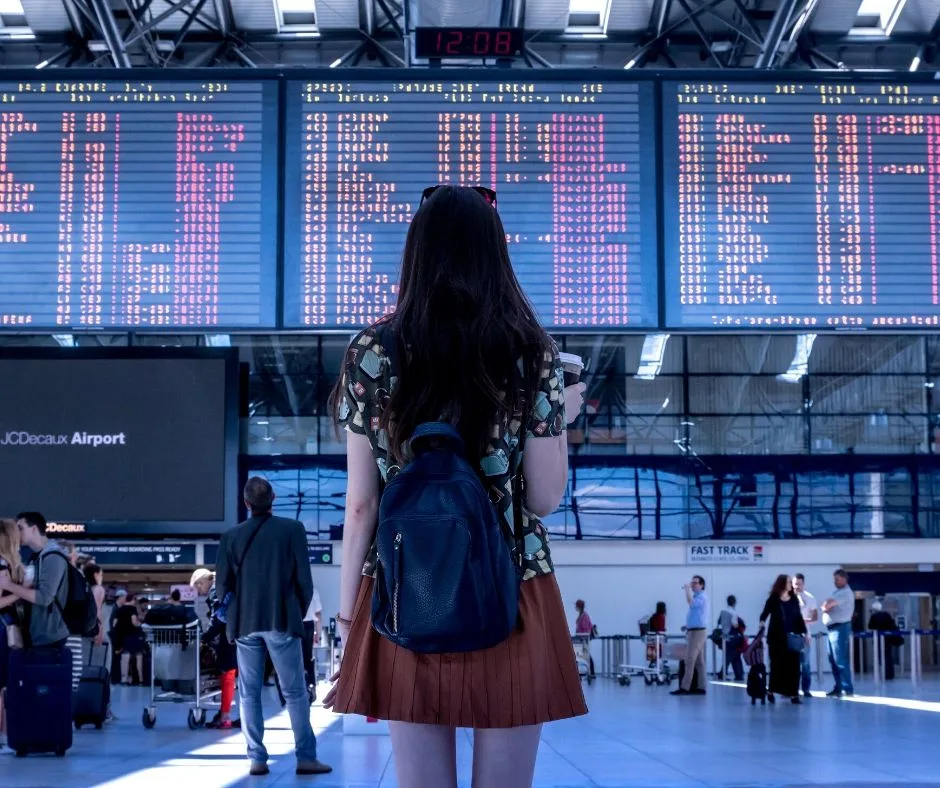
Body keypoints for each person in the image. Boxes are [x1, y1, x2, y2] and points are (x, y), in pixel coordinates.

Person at [323, 185, 588, 788]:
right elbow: (544, 499)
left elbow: (362, 503)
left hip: (404, 586)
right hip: (513, 587)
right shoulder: (532, 354)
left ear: (415, 253)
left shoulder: (372, 352)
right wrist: (557, 418)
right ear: (495, 255)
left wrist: (346, 616)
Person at [216, 477, 331, 777]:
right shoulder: (292, 530)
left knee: (249, 693)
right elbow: (305, 582)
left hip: (244, 625)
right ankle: (306, 757)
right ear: (274, 498)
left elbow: (221, 587)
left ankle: (256, 759)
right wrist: (296, 611)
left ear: (246, 502)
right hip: (282, 619)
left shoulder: (231, 537)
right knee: (294, 692)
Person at [0, 512, 81, 690]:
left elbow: (44, 597)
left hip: (49, 635)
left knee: (44, 690)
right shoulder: (38, 558)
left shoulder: (52, 557)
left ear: (34, 528)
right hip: (39, 635)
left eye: (20, 528)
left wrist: (11, 587)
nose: (17, 533)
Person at [190, 568, 238, 729]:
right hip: (239, 633)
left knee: (228, 673)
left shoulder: (215, 590)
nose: (199, 591)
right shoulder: (225, 585)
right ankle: (225, 713)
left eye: (197, 587)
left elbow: (218, 616)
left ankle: (225, 716)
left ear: (203, 581)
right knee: (232, 674)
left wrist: (206, 636)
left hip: (229, 636)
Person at [759, 575, 808, 705]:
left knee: (794, 666)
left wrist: (805, 633)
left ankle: (793, 694)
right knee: (776, 666)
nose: (791, 585)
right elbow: (764, 613)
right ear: (782, 584)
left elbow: (799, 617)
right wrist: (762, 622)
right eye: (788, 582)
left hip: (792, 637)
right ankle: (771, 691)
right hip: (776, 638)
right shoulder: (774, 599)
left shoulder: (793, 599)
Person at [0, 518, 26, 749]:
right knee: (5, 683)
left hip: (4, 627)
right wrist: (22, 593)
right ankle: (7, 734)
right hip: (7, 627)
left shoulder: (5, 564)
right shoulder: (9, 565)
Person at [672, 576, 708, 696]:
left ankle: (685, 687)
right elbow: (697, 616)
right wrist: (687, 625)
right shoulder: (699, 597)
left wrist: (687, 590)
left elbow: (691, 604)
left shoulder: (701, 597)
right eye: (692, 583)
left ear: (702, 585)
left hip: (697, 633)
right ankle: (701, 687)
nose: (692, 585)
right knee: (699, 661)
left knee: (689, 659)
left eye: (695, 583)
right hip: (694, 630)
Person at [821, 568, 855, 698]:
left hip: (840, 628)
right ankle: (838, 687)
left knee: (840, 659)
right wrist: (826, 605)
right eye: (834, 579)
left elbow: (827, 605)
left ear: (844, 579)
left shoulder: (845, 593)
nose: (834, 582)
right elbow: (826, 603)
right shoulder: (837, 592)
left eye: (837, 579)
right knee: (833, 660)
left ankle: (848, 688)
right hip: (832, 629)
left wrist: (826, 607)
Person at [792, 573, 818, 697]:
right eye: (795, 584)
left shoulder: (810, 598)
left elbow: (815, 617)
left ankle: (806, 689)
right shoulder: (787, 598)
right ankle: (791, 689)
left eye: (800, 584)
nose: (798, 586)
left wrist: (804, 621)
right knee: (791, 664)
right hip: (791, 636)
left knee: (806, 664)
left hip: (805, 635)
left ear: (804, 584)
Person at [112, 593, 145, 684]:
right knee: (138, 655)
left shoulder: (119, 609)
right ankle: (140, 679)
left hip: (122, 635)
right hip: (132, 635)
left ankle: (124, 679)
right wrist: (141, 625)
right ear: (133, 600)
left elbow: (114, 623)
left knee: (125, 656)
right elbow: (134, 622)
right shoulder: (133, 609)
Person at [868, 600, 900, 681]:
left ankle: (883, 673)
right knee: (888, 656)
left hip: (878, 639)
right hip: (888, 639)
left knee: (880, 657)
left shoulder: (874, 616)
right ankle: (890, 674)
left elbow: (870, 626)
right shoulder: (887, 615)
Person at [302, 569, 322, 694]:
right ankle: (311, 684)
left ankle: (297, 685)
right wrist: (318, 634)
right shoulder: (313, 591)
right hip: (308, 626)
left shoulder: (292, 590)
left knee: (295, 657)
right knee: (308, 657)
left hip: (294, 626)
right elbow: (318, 614)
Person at [717, 595, 744, 681]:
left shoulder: (723, 611)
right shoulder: (733, 612)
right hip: (732, 636)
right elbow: (735, 625)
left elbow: (719, 622)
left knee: (734, 655)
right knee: (731, 655)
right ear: (734, 603)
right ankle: (722, 673)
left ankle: (739, 674)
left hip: (725, 635)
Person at [574, 600, 596, 679]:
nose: (575, 607)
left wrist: (581, 636)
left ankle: (592, 672)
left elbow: (586, 630)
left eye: (576, 606)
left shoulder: (584, 616)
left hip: (584, 639)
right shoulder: (581, 615)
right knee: (581, 654)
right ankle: (578, 672)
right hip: (580, 638)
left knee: (586, 655)